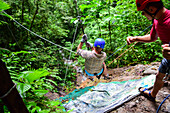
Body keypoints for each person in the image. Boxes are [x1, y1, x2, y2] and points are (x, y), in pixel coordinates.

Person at [127, 0, 170, 101]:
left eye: (143, 12)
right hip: (168, 59)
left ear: (151, 9)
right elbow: (152, 37)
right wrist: (135, 38)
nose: (143, 15)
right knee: (159, 75)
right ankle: (152, 95)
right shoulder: (157, 20)